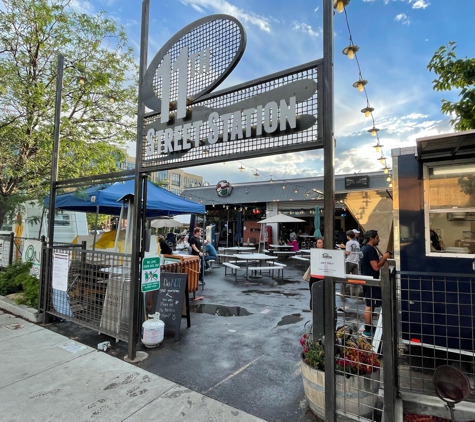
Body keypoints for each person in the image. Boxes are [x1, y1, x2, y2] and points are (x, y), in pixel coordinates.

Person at [359, 229, 391, 337]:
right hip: (371, 280)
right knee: (369, 305)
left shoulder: (363, 248)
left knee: (371, 304)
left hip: (366, 279)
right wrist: (385, 257)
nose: (379, 239)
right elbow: (376, 267)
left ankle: (368, 326)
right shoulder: (371, 250)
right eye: (377, 237)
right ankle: (367, 330)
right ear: (371, 238)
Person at [308, 237, 324, 310]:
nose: (318, 244)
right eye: (317, 243)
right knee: (313, 295)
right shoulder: (314, 252)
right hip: (314, 276)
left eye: (320, 243)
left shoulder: (326, 252)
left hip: (322, 277)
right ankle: (312, 310)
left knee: (322, 296)